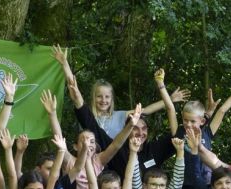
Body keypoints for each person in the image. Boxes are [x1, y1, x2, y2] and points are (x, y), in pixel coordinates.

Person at [41, 88, 142, 189]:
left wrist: (130, 125)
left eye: (92, 141)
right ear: (76, 146)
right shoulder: (70, 161)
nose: (88, 144)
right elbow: (58, 138)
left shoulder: (99, 160)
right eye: (84, 140)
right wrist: (52, 114)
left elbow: (116, 145)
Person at [52, 44, 190, 140]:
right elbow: (75, 92)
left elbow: (146, 111)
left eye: (107, 97)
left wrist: (169, 99)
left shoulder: (119, 116)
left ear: (112, 99)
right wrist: (65, 64)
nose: (103, 100)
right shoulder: (88, 116)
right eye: (99, 96)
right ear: (93, 98)